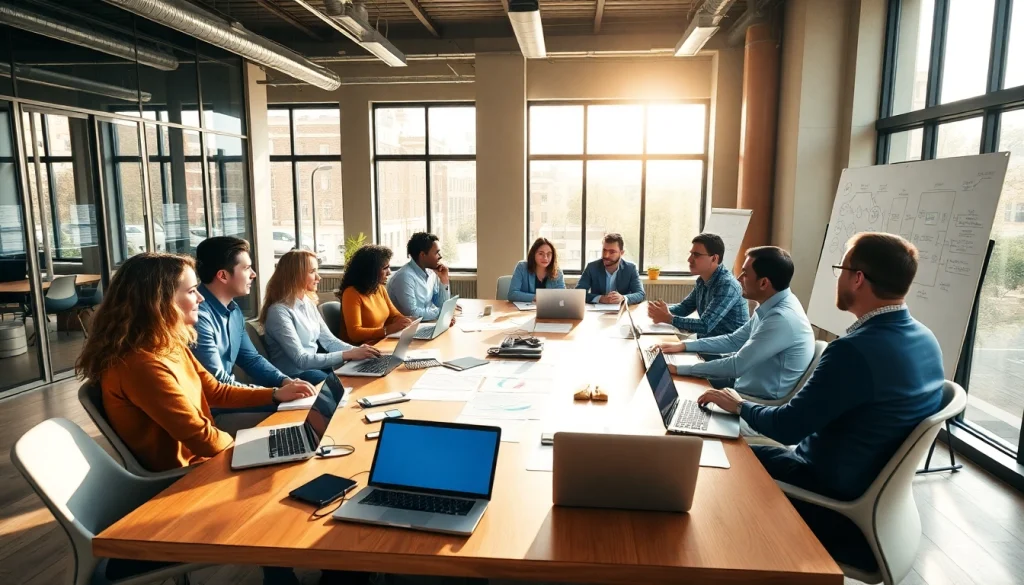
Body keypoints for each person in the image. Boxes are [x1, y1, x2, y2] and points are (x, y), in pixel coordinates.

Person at [697, 232, 944, 571]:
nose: (837, 277)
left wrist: (739, 405)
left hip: (831, 500)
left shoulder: (853, 351)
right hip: (869, 493)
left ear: (857, 279)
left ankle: (723, 563)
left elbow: (787, 427)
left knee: (719, 458)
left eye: (841, 268)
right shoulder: (927, 339)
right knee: (733, 449)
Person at [76, 253, 313, 473]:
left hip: (208, 459)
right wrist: (253, 447)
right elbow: (203, 439)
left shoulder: (168, 345)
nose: (200, 298)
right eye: (191, 291)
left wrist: (275, 394)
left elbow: (215, 391)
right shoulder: (141, 364)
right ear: (160, 302)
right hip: (189, 475)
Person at [659, 246, 814, 400]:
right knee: (674, 382)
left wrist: (679, 369)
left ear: (764, 283)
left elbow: (736, 366)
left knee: (678, 386)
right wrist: (684, 346)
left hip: (755, 401)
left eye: (745, 273)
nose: (739, 278)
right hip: (742, 384)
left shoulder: (781, 318)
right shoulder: (773, 304)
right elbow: (734, 340)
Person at [191, 237, 317, 419]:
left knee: (304, 403)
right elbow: (217, 382)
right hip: (212, 409)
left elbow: (251, 359)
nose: (253, 274)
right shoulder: (198, 317)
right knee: (301, 413)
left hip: (231, 397)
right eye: (246, 268)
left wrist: (285, 381)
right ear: (223, 276)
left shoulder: (233, 311)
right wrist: (274, 393)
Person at [260, 250, 380, 402]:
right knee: (345, 394)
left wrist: (359, 351)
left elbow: (330, 341)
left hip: (313, 369)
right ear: (294, 275)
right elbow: (301, 360)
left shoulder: (307, 303)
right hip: (295, 377)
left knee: (362, 380)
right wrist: (348, 354)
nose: (319, 277)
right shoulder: (278, 312)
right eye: (312, 272)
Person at [648, 233, 747, 338]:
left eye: (696, 255)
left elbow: (705, 325)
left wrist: (668, 318)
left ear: (714, 258)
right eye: (691, 254)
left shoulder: (727, 285)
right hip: (706, 342)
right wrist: (658, 310)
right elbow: (684, 307)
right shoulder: (702, 280)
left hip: (726, 351)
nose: (689, 259)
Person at [337, 244, 414, 344]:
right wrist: (387, 330)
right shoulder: (351, 293)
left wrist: (405, 321)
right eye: (385, 268)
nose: (389, 272)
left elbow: (394, 315)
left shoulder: (379, 288)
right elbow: (355, 334)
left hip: (379, 343)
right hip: (360, 350)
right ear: (370, 271)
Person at [387, 232, 451, 321]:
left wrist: (444, 280)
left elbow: (441, 304)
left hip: (427, 323)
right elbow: (412, 313)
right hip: (408, 329)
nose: (440, 256)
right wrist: (440, 312)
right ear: (423, 255)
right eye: (437, 253)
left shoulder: (431, 272)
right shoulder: (404, 277)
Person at [575, 233, 645, 305]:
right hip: (597, 313)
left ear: (621, 253)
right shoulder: (592, 267)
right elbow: (578, 293)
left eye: (612, 252)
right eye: (604, 250)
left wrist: (623, 298)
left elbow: (640, 294)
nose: (606, 255)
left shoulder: (630, 269)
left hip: (622, 311)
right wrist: (600, 298)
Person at [508, 237, 566, 302]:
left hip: (548, 310)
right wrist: (537, 297)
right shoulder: (522, 267)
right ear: (533, 254)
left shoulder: (557, 272)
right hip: (524, 311)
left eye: (549, 254)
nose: (545, 258)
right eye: (541, 254)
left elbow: (562, 297)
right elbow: (512, 294)